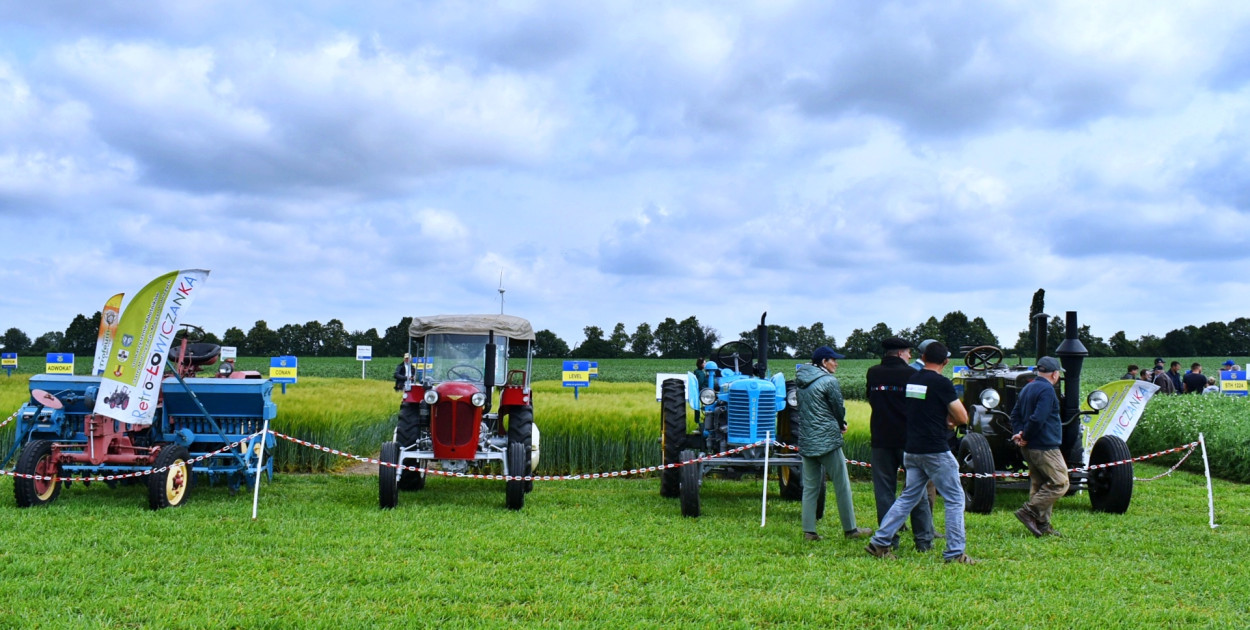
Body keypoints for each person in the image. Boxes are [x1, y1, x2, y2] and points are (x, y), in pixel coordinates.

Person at [866, 342, 976, 564]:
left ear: (923, 357)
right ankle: (955, 553)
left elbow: (921, 408)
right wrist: (950, 421)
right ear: (945, 362)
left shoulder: (913, 380)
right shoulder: (942, 383)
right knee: (955, 499)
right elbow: (963, 417)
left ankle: (879, 542)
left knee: (908, 497)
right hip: (935, 449)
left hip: (913, 450)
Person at [795, 345, 872, 541]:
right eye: (833, 360)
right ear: (824, 362)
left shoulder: (801, 381)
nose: (836, 363)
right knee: (842, 484)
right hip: (828, 439)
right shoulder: (829, 381)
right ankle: (851, 529)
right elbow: (838, 407)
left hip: (807, 439)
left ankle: (809, 531)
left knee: (810, 487)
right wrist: (842, 424)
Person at [866, 337, 935, 552]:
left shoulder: (873, 373)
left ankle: (889, 540)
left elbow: (870, 398)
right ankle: (923, 540)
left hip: (880, 439)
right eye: (907, 353)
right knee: (916, 490)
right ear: (899, 354)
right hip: (909, 441)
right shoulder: (912, 375)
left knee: (884, 491)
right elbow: (918, 406)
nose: (910, 357)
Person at [1009, 356, 1069, 538]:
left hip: (1029, 446)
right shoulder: (1047, 390)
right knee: (1060, 482)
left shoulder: (1028, 388)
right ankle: (1029, 511)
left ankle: (1042, 525)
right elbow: (1038, 418)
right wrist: (1025, 434)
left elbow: (1015, 414)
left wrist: (1019, 433)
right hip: (1045, 445)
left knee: (1040, 483)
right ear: (1055, 374)